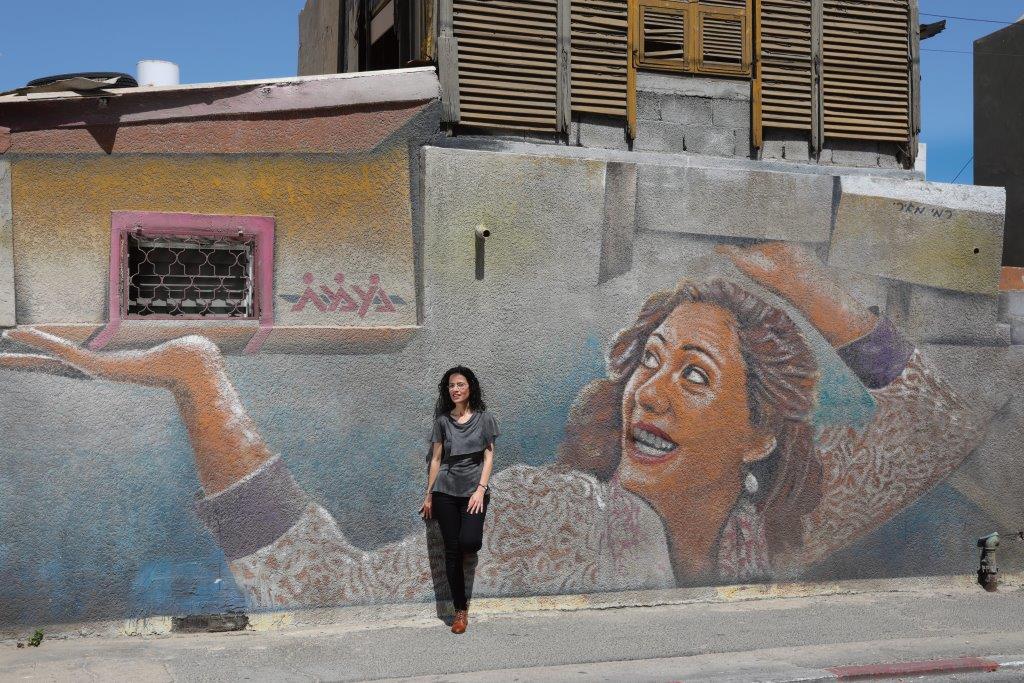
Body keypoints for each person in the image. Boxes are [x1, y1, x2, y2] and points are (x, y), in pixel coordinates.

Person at [0, 242, 984, 610]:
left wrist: (815, 288)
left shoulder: (774, 525)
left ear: (759, 436)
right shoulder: (553, 517)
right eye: (649, 361)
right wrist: (201, 391)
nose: (650, 391)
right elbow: (325, 588)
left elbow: (935, 428)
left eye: (693, 374)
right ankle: (198, 366)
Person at [420, 366, 498, 633]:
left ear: (470, 388)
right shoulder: (442, 422)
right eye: (451, 385)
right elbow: (436, 460)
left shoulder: (484, 419)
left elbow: (488, 457)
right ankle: (460, 611)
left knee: (470, 542)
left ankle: (461, 605)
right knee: (451, 551)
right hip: (445, 492)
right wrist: (429, 494)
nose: (455, 389)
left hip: (473, 492)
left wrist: (480, 489)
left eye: (460, 384)